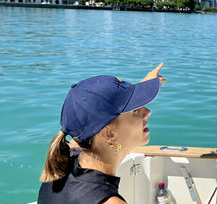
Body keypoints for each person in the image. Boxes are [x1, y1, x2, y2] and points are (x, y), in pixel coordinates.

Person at [38, 64, 167, 204]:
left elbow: (88, 121)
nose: (147, 112)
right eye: (135, 110)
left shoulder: (64, 160)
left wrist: (143, 87)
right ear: (108, 133)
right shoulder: (109, 201)